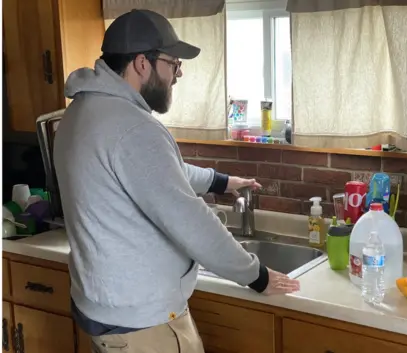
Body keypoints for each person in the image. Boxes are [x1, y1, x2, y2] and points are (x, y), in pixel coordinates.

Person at [53, 8, 300, 353]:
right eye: (173, 63)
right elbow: (191, 221)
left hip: (106, 311)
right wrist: (257, 276)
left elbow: (159, 175)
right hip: (145, 324)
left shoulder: (80, 113)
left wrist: (221, 182)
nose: (179, 73)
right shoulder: (134, 128)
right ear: (142, 63)